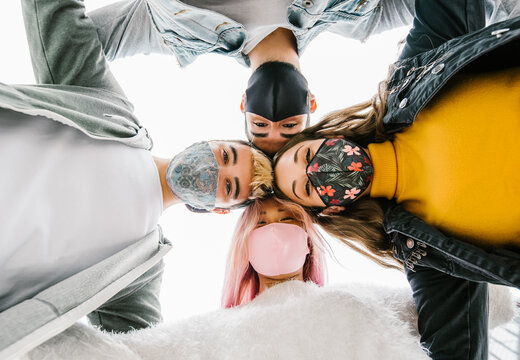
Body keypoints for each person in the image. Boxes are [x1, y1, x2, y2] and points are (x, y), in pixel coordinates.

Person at [0, 0, 273, 356]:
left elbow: (143, 349)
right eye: (224, 156)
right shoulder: (109, 108)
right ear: (209, 140)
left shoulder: (139, 272)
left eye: (228, 186)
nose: (213, 171)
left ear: (219, 209)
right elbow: (55, 15)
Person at [272, 1, 520, 359]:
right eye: (308, 187)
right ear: (331, 208)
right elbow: (455, 348)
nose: (318, 170)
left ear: (323, 136)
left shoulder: (413, 77)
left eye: (307, 156)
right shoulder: (425, 254)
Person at [88, 0, 420, 155]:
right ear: (312, 102)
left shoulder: (174, 35)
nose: (273, 121)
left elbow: (71, 39)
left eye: (260, 127)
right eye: (289, 127)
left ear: (244, 103)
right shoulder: (363, 16)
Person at [221, 197, 327, 308]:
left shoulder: (337, 305)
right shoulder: (222, 322)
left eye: (286, 219)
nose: (273, 230)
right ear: (245, 249)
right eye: (261, 223)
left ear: (308, 242)